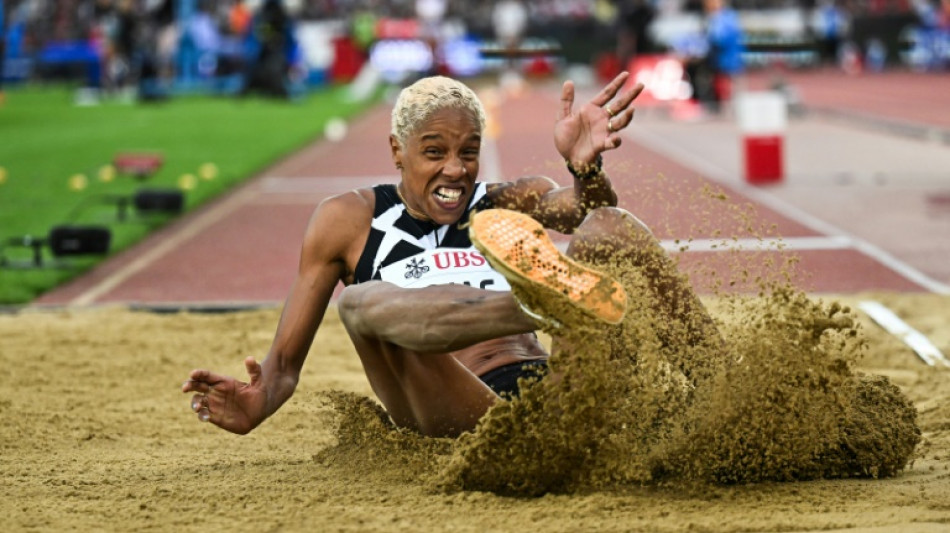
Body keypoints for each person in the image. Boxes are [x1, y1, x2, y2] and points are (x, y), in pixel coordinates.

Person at [183, 72, 717, 438]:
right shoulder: (347, 220)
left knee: (609, 226)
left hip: (557, 398)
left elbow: (588, 210)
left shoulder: (506, 201)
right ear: (398, 150)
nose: (456, 170)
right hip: (464, 415)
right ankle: (543, 304)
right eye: (434, 152)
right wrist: (257, 402)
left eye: (469, 152)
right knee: (360, 304)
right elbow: (281, 368)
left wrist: (585, 169)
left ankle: (727, 389)